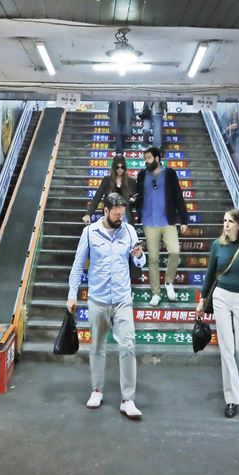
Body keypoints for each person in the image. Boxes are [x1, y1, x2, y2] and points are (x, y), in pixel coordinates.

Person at [66, 193, 145, 420]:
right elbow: (78, 264)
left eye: (123, 214)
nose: (121, 218)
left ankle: (128, 399)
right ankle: (97, 390)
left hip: (122, 298)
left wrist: (139, 256)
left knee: (128, 346)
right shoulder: (90, 233)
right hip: (98, 298)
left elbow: (139, 261)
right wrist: (72, 295)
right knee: (97, 347)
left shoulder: (129, 230)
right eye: (117, 214)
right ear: (106, 211)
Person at [197, 209, 239, 418]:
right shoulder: (218, 245)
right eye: (224, 221)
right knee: (227, 348)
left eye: (230, 221)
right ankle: (232, 399)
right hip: (221, 297)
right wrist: (201, 300)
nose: (226, 225)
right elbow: (210, 274)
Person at [134, 145, 188, 305]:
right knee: (153, 259)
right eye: (145, 159)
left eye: (149, 158)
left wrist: (184, 220)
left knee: (175, 251)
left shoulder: (170, 174)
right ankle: (155, 293)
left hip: (167, 220)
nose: (146, 161)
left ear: (157, 158)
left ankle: (169, 282)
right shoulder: (142, 175)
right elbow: (138, 194)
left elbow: (178, 195)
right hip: (149, 221)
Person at [84, 155, 135, 224]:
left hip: (125, 215)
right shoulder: (107, 180)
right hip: (110, 213)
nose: (120, 169)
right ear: (114, 168)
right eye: (117, 167)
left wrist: (133, 200)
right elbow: (97, 197)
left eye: (122, 167)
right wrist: (88, 214)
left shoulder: (131, 181)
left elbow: (136, 198)